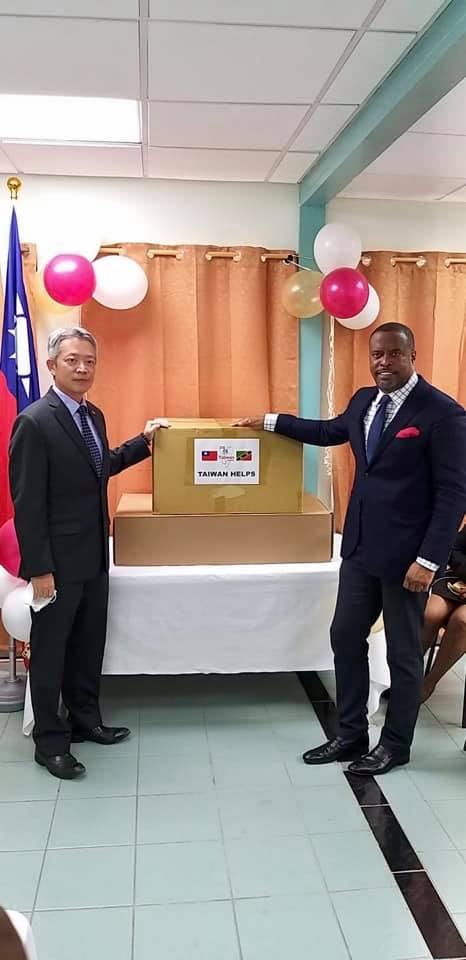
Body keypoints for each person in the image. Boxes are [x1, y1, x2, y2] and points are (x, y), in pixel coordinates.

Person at [236, 323, 466, 775]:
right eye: (377, 354)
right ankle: (350, 734)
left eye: (394, 354)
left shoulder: (443, 414)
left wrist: (428, 560)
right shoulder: (364, 400)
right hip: (360, 549)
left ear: (412, 355)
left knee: (403, 653)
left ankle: (395, 744)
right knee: (344, 635)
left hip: (408, 561)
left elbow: (454, 494)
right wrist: (270, 421)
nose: (384, 362)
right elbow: (328, 430)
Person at [9, 327, 167, 780]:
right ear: (52, 365)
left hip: (96, 557)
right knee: (52, 653)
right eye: (73, 360)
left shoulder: (92, 415)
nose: (83, 368)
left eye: (90, 361)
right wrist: (39, 569)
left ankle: (86, 721)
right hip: (55, 566)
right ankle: (50, 742)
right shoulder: (35, 421)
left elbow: (101, 469)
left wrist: (144, 441)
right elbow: (27, 503)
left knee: (87, 646)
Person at [421, 526, 466, 703]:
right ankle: (407, 678)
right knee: (430, 613)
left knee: (462, 621)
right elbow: (455, 548)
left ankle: (428, 684)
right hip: (459, 578)